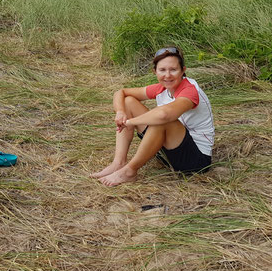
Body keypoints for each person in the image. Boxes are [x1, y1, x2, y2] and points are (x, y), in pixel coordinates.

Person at [91, 46, 214, 186]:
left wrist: (130, 122)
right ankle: (119, 163)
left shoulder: (189, 90)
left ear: (183, 71)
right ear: (154, 71)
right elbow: (120, 92)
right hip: (170, 151)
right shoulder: (162, 88)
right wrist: (120, 112)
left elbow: (164, 115)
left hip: (195, 161)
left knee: (163, 120)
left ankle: (129, 172)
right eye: (162, 70)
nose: (167, 75)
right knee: (128, 102)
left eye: (173, 70)